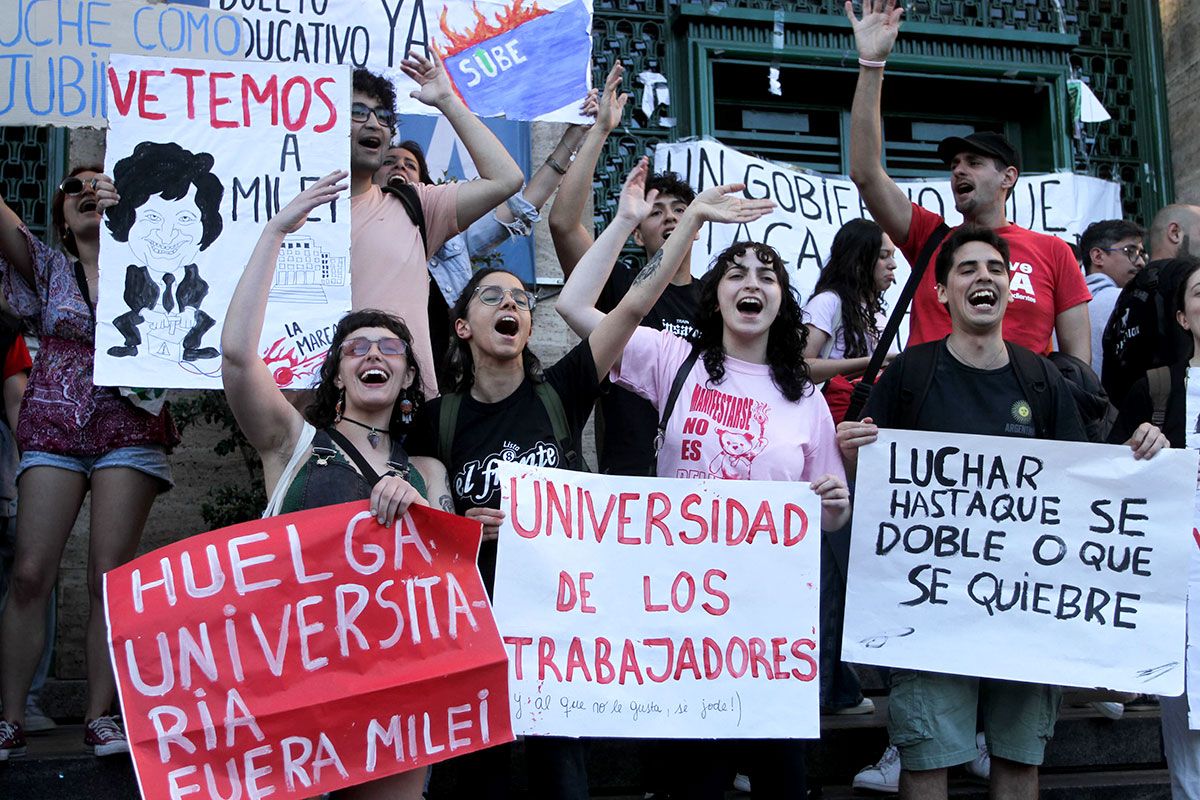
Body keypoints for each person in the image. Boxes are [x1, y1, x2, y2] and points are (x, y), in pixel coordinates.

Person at [405, 158, 774, 799]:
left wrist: (656, 223)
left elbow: (632, 305)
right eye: (493, 296)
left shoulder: (563, 390)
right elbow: (422, 513)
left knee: (561, 774)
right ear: (462, 326)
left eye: (522, 299)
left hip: (556, 624)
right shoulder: (439, 417)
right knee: (477, 777)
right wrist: (460, 527)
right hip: (474, 623)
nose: (512, 305)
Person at [836, 225, 1164, 800]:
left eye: (994, 269)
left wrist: (1141, 451)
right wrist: (853, 454)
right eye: (966, 269)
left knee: (1017, 762)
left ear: (1011, 289)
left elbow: (1084, 487)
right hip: (928, 613)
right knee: (927, 759)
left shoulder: (1042, 380)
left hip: (1023, 617)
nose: (982, 278)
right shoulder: (910, 375)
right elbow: (878, 494)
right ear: (942, 293)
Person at [558, 167, 846, 797]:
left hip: (768, 634)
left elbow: (829, 515)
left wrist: (834, 501)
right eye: (736, 273)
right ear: (715, 297)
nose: (751, 283)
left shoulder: (808, 401)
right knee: (693, 785)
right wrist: (639, 222)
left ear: (782, 302)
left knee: (783, 784)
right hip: (684, 625)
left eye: (766, 275)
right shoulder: (670, 358)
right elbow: (575, 307)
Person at [222, 171, 452, 800]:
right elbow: (240, 360)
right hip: (293, 678)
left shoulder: (428, 474)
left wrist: (424, 516)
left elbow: (450, 581)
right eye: (356, 349)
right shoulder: (290, 443)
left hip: (392, 687)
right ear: (339, 375)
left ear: (408, 379)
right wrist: (274, 233)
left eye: (389, 348)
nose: (372, 354)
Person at [0, 167, 179, 759]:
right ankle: (9, 718)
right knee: (30, 572)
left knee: (109, 573)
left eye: (99, 185)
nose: (86, 194)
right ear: (59, 211)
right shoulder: (46, 267)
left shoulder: (159, 265)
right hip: (53, 423)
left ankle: (101, 716)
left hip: (128, 426)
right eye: (73, 188)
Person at [845, 0, 1091, 362]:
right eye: (955, 164)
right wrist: (871, 64)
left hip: (1017, 413)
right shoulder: (929, 238)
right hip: (931, 410)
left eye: (974, 162)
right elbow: (865, 173)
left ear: (1008, 177)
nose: (959, 170)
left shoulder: (1054, 253)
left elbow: (1078, 367)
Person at [550, 62, 704, 477]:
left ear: (698, 228)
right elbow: (563, 224)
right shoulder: (619, 285)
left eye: (681, 211)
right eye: (657, 212)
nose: (671, 218)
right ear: (638, 234)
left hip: (703, 486)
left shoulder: (719, 300)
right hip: (627, 484)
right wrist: (599, 132)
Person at [373, 96, 594, 366]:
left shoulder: (450, 238)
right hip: (378, 366)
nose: (400, 167)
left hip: (445, 376)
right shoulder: (354, 229)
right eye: (390, 162)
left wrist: (571, 139)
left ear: (423, 185)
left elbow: (521, 206)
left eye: (410, 165)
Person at [350, 54, 523, 398]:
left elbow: (507, 178)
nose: (374, 124)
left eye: (383, 117)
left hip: (411, 411)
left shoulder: (414, 205)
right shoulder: (297, 210)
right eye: (358, 112)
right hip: (323, 412)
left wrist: (447, 100)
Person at [1109, 254, 1200, 800]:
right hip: (1182, 593)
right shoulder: (1159, 390)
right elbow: (1105, 480)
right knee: (1190, 742)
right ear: (1183, 318)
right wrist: (1138, 451)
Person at [104, 141, 225, 363]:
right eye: (152, 217)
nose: (167, 234)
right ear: (127, 220)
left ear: (205, 226)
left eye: (185, 218)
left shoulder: (213, 296)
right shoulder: (114, 288)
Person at [804, 218, 898, 424]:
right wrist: (871, 363)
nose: (893, 265)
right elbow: (802, 367)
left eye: (893, 256)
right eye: (883, 256)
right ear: (858, 260)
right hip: (827, 422)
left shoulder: (878, 315)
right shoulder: (827, 303)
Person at [1079, 219, 1146, 375]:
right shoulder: (1124, 301)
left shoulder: (1067, 305)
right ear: (1097, 256)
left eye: (1142, 253)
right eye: (1130, 251)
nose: (1141, 262)